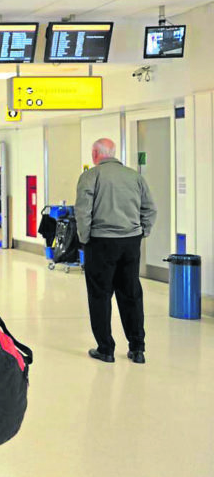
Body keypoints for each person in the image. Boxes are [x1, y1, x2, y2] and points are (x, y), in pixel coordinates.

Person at [76, 138, 157, 365]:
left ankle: (106, 349)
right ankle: (137, 348)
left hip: (101, 242)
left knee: (100, 295)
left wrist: (85, 240)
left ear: (95, 153)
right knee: (131, 293)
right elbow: (150, 209)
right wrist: (142, 232)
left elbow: (83, 212)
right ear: (114, 153)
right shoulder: (135, 176)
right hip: (131, 242)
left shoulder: (90, 177)